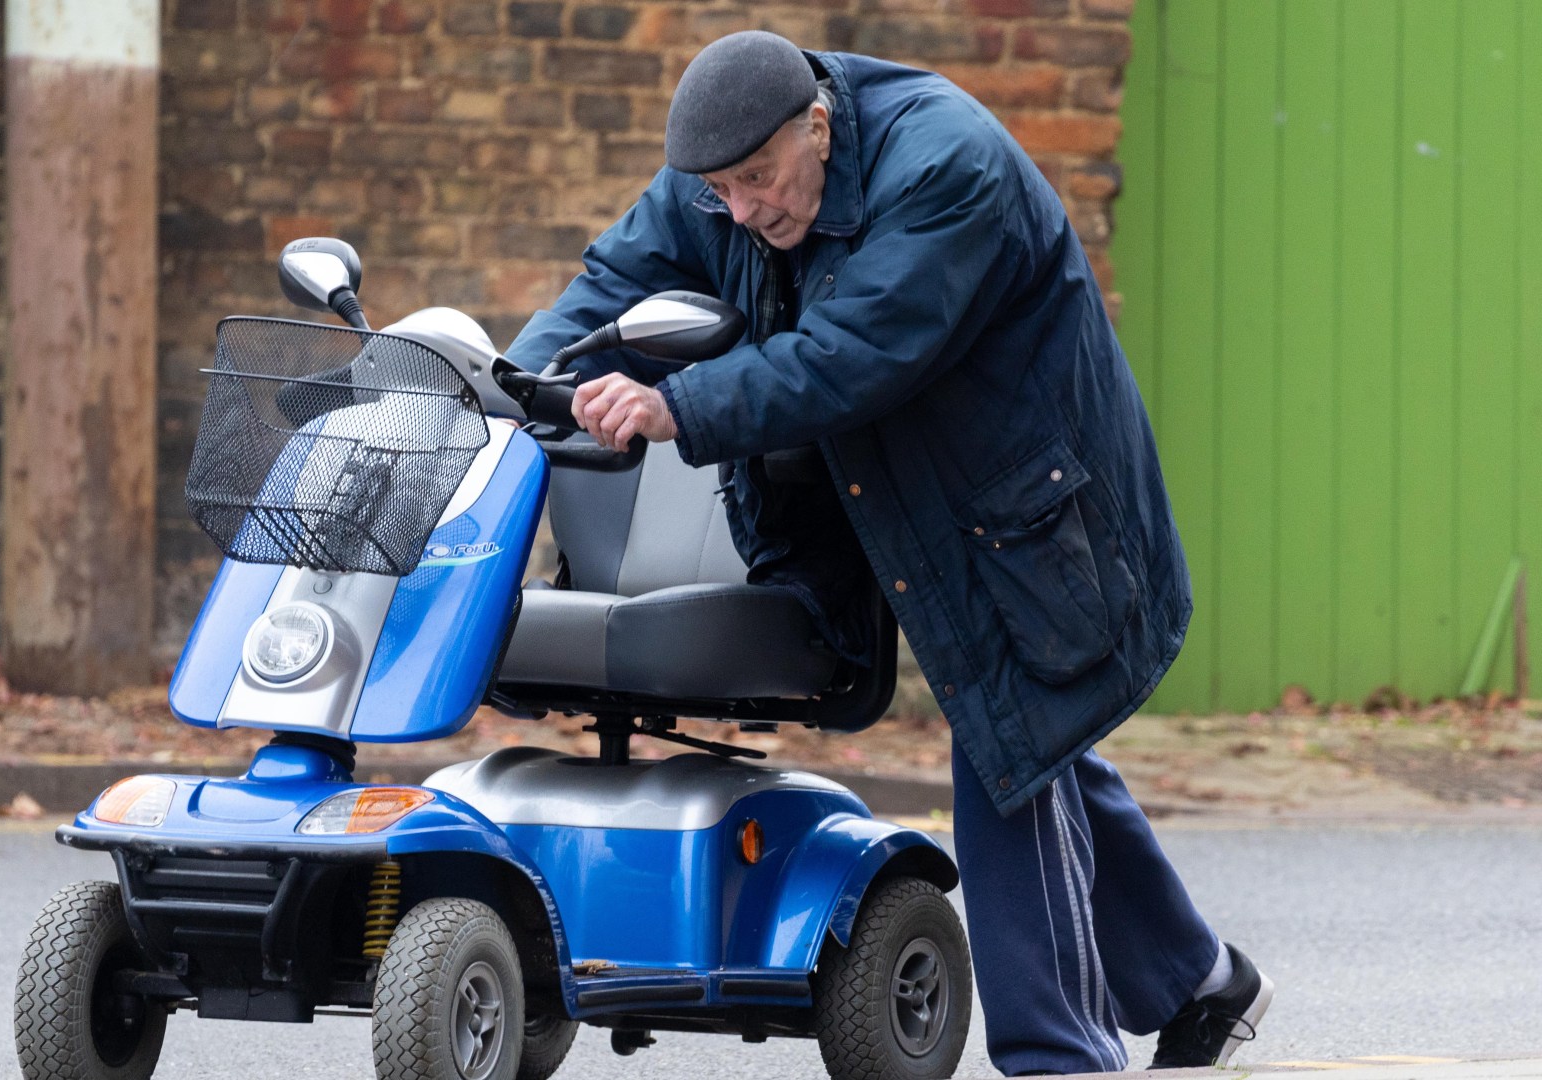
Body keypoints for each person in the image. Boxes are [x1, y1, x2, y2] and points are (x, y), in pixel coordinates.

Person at [503, 31, 1273, 1077]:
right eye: (721, 189)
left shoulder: (946, 166)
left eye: (761, 181)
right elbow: (619, 278)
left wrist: (672, 404)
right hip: (875, 495)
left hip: (1017, 515)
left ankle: (1060, 1058)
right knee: (1029, 741)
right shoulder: (726, 173)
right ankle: (1196, 983)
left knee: (1011, 744)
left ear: (816, 126)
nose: (742, 210)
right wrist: (513, 385)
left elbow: (850, 356)